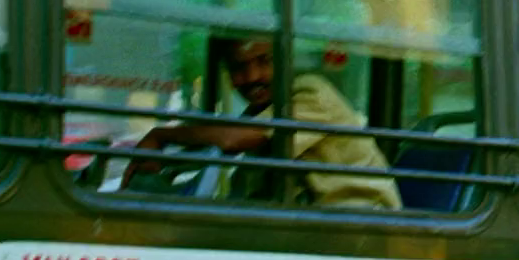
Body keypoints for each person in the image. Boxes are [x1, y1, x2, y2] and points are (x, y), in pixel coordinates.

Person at [127, 36, 402, 210]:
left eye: (264, 61)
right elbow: (221, 156)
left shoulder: (310, 92)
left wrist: (161, 136)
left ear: (285, 62)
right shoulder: (261, 114)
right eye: (239, 68)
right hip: (309, 224)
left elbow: (232, 139)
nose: (252, 76)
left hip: (358, 225)